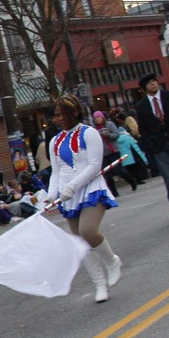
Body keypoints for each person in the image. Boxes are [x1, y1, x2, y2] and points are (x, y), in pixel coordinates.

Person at [47, 95, 123, 303]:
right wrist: (51, 194)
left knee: (88, 231)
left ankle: (112, 262)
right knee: (80, 243)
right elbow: (56, 170)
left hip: (90, 189)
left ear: (75, 112)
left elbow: (94, 166)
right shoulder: (54, 141)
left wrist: (73, 186)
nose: (59, 118)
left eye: (63, 114)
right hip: (68, 196)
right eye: (55, 115)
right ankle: (99, 284)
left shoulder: (89, 133)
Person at [134, 72, 169, 220]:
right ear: (144, 88)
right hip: (160, 146)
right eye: (149, 83)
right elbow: (143, 128)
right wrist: (150, 145)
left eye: (154, 81)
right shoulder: (142, 106)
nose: (153, 84)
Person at [91, 110, 138, 196]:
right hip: (103, 153)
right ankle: (114, 192)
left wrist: (108, 135)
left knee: (118, 170)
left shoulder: (109, 124)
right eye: (95, 118)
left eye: (98, 117)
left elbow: (116, 134)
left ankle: (131, 180)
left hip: (113, 150)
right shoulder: (94, 129)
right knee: (107, 174)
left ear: (102, 117)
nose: (97, 119)